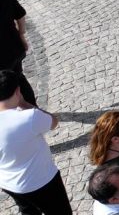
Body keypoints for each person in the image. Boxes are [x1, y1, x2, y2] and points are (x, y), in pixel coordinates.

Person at [0, 70, 71, 215]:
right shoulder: (29, 117)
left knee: (28, 211)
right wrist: (25, 104)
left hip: (10, 184)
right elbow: (53, 122)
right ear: (18, 91)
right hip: (42, 181)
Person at [0, 0, 36, 106]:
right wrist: (21, 35)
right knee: (18, 78)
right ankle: (33, 109)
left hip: (2, 58)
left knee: (7, 87)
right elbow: (20, 15)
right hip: (14, 48)